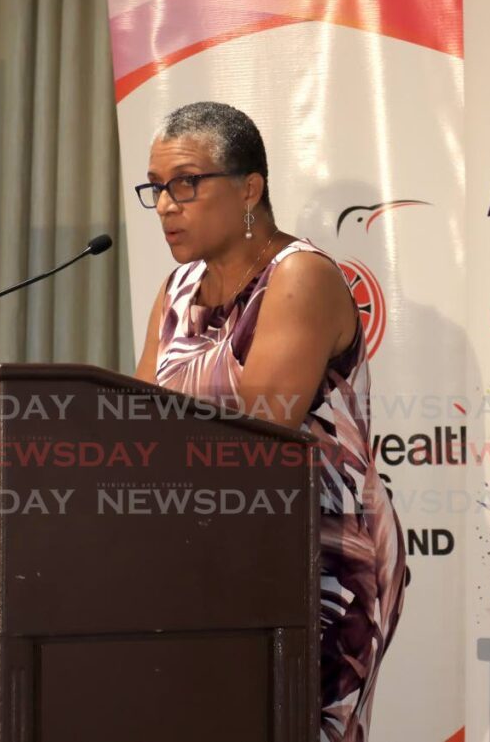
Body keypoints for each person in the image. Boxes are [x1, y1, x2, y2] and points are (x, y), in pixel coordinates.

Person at [133, 101, 406, 739]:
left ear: (249, 187)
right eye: (157, 188)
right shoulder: (176, 291)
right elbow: (137, 422)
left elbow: (260, 437)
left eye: (186, 183)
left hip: (316, 561)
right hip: (206, 553)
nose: (167, 205)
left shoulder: (300, 278)